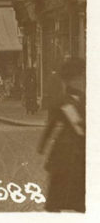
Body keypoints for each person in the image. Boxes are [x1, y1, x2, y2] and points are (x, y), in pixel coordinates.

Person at [37, 56, 85, 212]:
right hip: (70, 149)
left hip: (71, 149)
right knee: (64, 183)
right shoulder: (65, 100)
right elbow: (52, 124)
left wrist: (43, 145)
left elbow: (51, 125)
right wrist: (42, 144)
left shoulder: (78, 98)